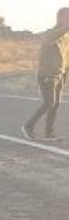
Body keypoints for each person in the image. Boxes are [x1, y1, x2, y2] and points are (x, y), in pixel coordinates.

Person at [22, 8, 69, 141]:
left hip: (60, 74)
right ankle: (28, 126)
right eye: (67, 17)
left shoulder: (66, 36)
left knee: (56, 103)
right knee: (49, 102)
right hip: (47, 74)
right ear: (59, 18)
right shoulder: (50, 34)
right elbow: (50, 38)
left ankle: (49, 133)